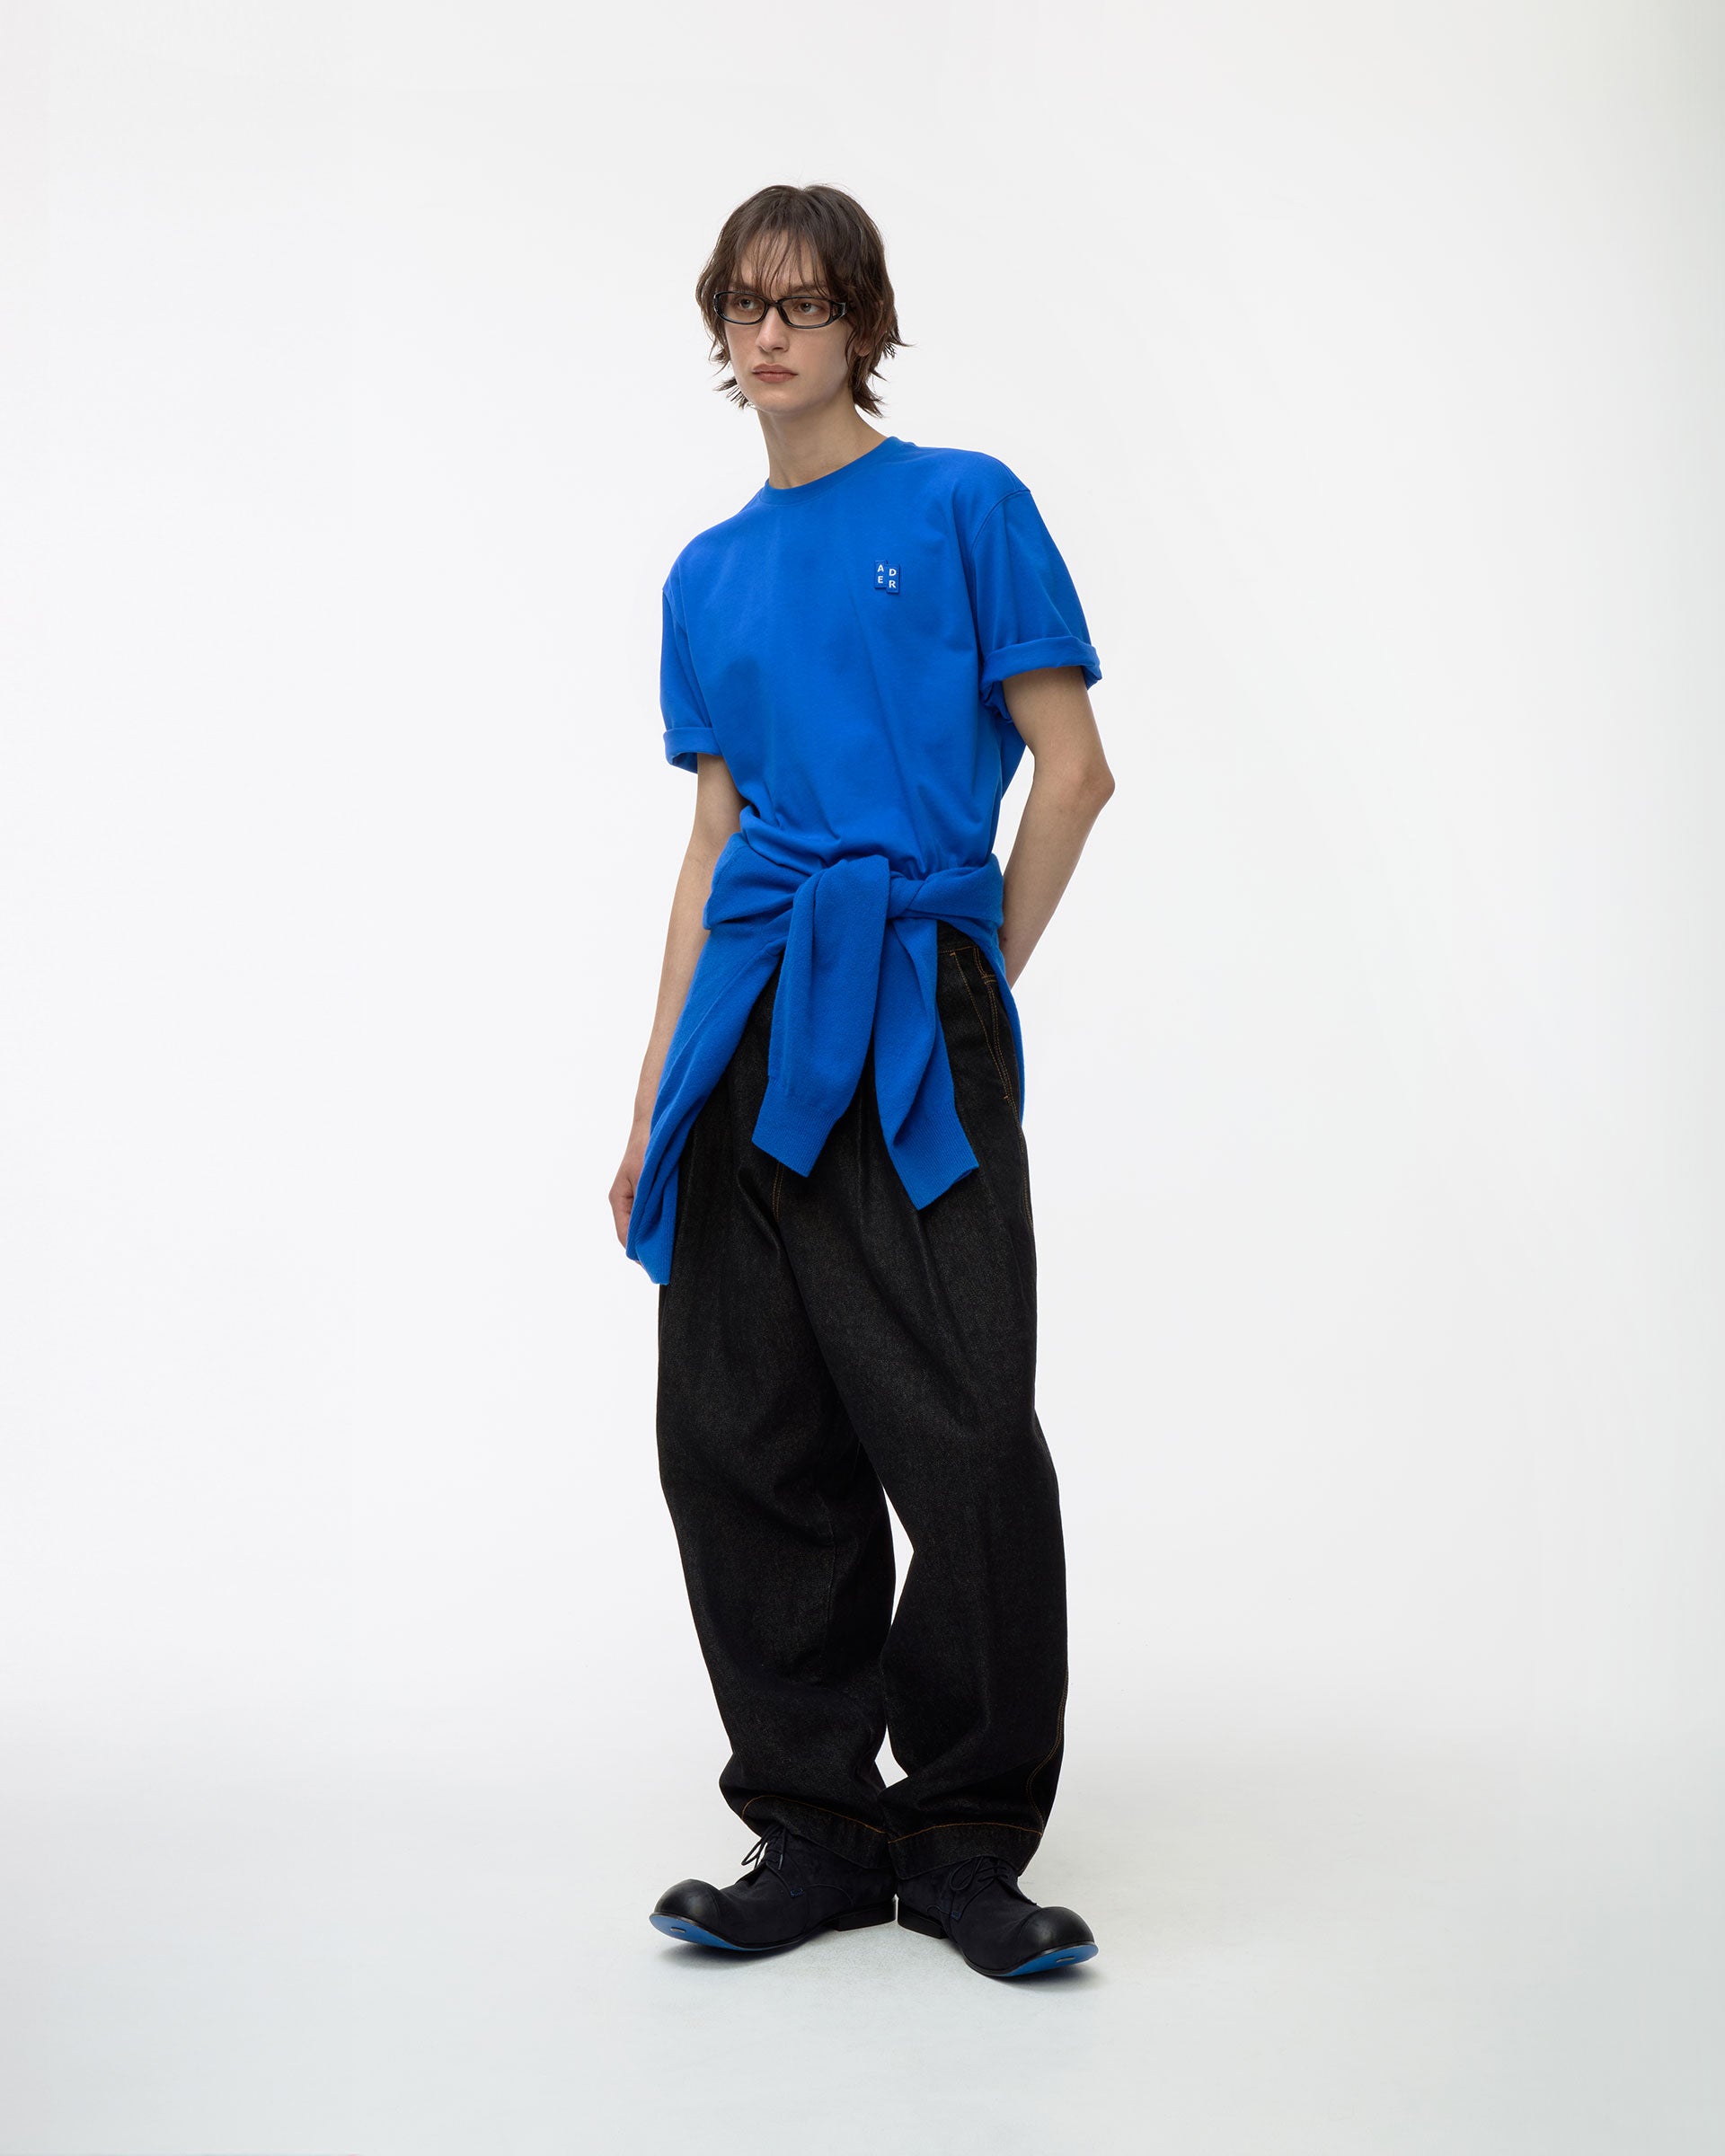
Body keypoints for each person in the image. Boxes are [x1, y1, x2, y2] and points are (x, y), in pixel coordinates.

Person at [610, 182, 1116, 1981]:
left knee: (963, 1427)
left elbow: (1072, 770)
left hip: (910, 995)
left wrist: (968, 972)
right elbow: (713, 843)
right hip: (752, 1014)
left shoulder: (967, 505)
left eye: (806, 305)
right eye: (745, 306)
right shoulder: (705, 574)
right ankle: (817, 1829)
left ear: (863, 325)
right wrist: (652, 1101)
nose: (770, 335)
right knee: (738, 1433)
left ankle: (967, 1842)